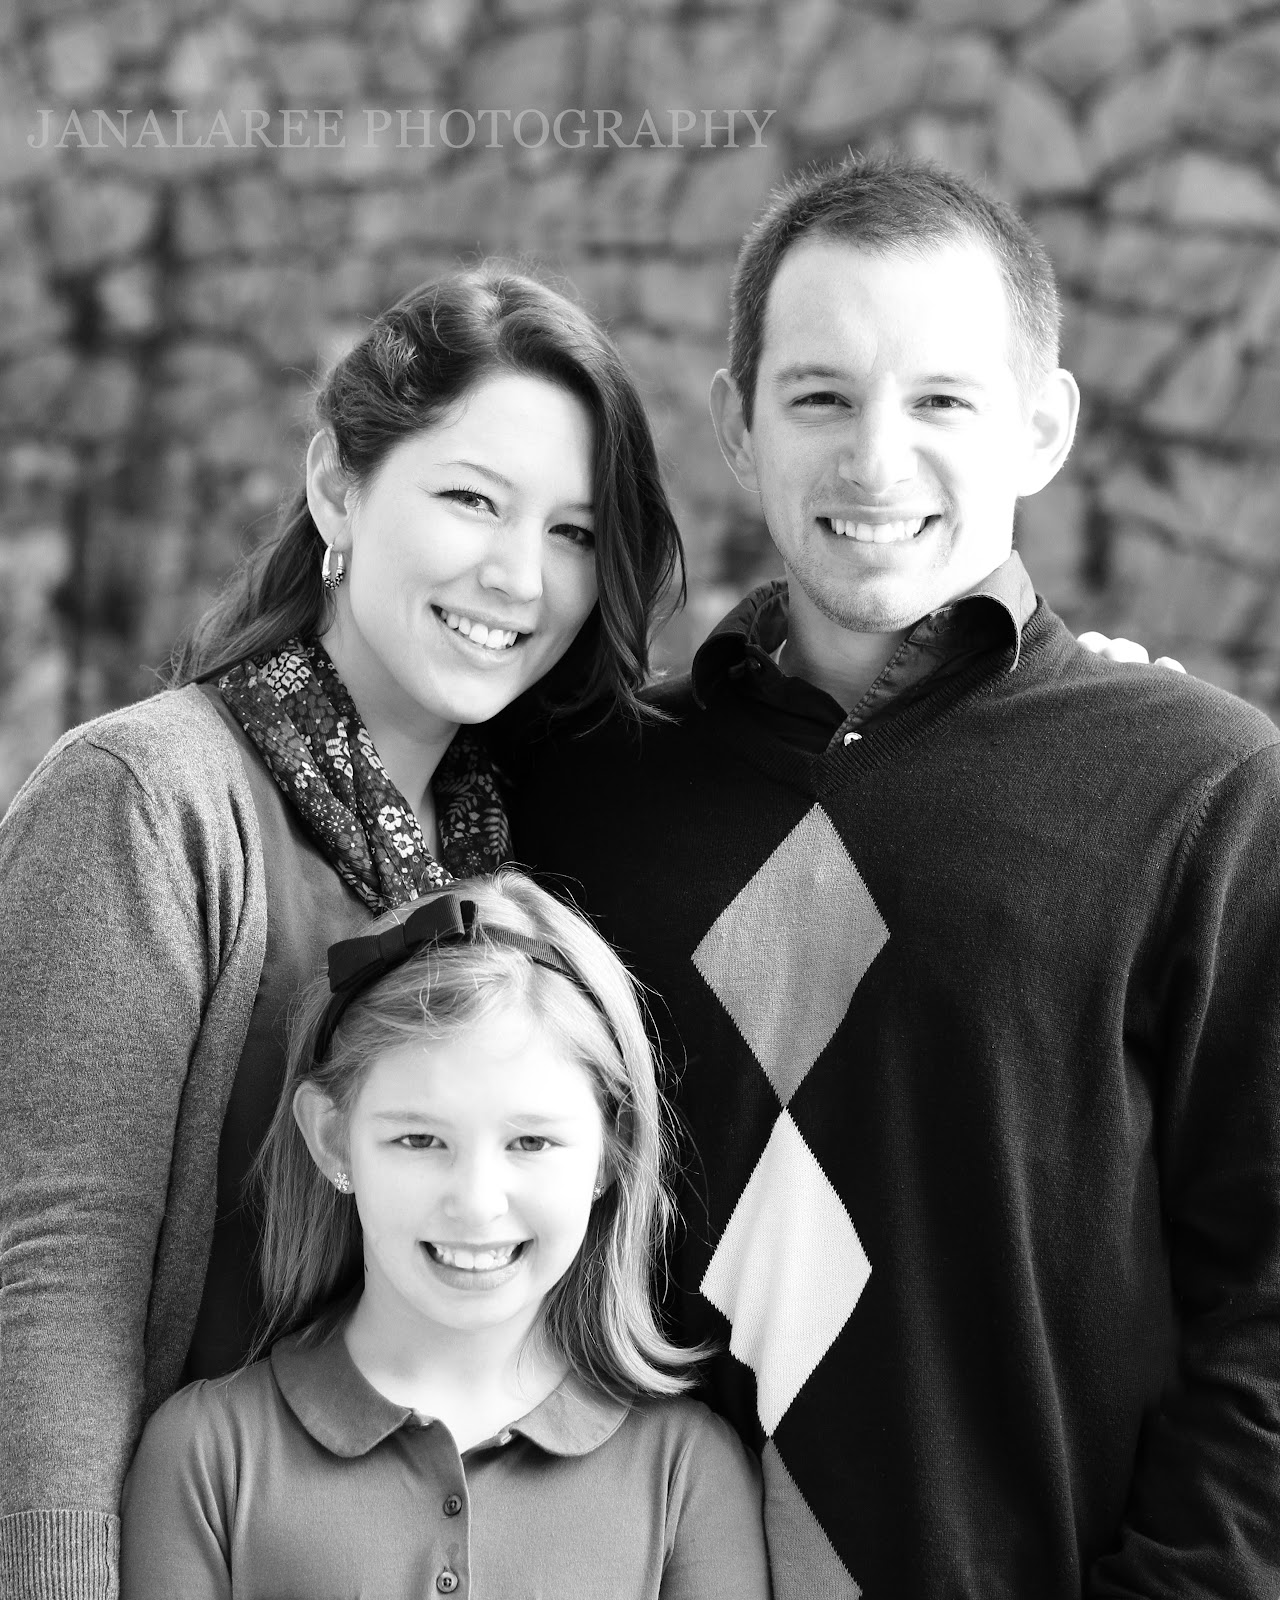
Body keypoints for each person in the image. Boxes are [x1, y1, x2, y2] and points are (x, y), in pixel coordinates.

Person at [510, 154, 1280, 1598]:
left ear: (1041, 428)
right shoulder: (585, 791)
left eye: (940, 401)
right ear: (737, 425)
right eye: (820, 397)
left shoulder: (1204, 790)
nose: (874, 460)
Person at [0, 263, 684, 1598]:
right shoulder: (149, 799)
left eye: (572, 531)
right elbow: (52, 1277)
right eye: (472, 499)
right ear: (336, 488)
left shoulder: (508, 845)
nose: (517, 575)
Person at [119, 872, 770, 1599]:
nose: (476, 1204)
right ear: (332, 1140)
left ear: (610, 1154)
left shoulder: (687, 1474)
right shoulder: (208, 1456)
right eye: (420, 1140)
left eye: (531, 1142)